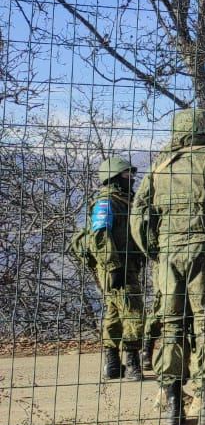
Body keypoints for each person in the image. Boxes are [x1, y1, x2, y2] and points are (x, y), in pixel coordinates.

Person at [130, 108, 205, 425]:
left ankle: (174, 407)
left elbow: (138, 216)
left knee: (172, 326)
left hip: (167, 256)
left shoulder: (160, 166)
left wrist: (155, 251)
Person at [73, 157, 147, 382]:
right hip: (116, 265)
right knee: (133, 311)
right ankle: (133, 363)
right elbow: (100, 235)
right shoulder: (106, 201)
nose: (131, 179)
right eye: (126, 175)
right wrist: (113, 266)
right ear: (113, 178)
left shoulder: (124, 199)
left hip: (126, 263)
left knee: (114, 311)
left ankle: (112, 364)